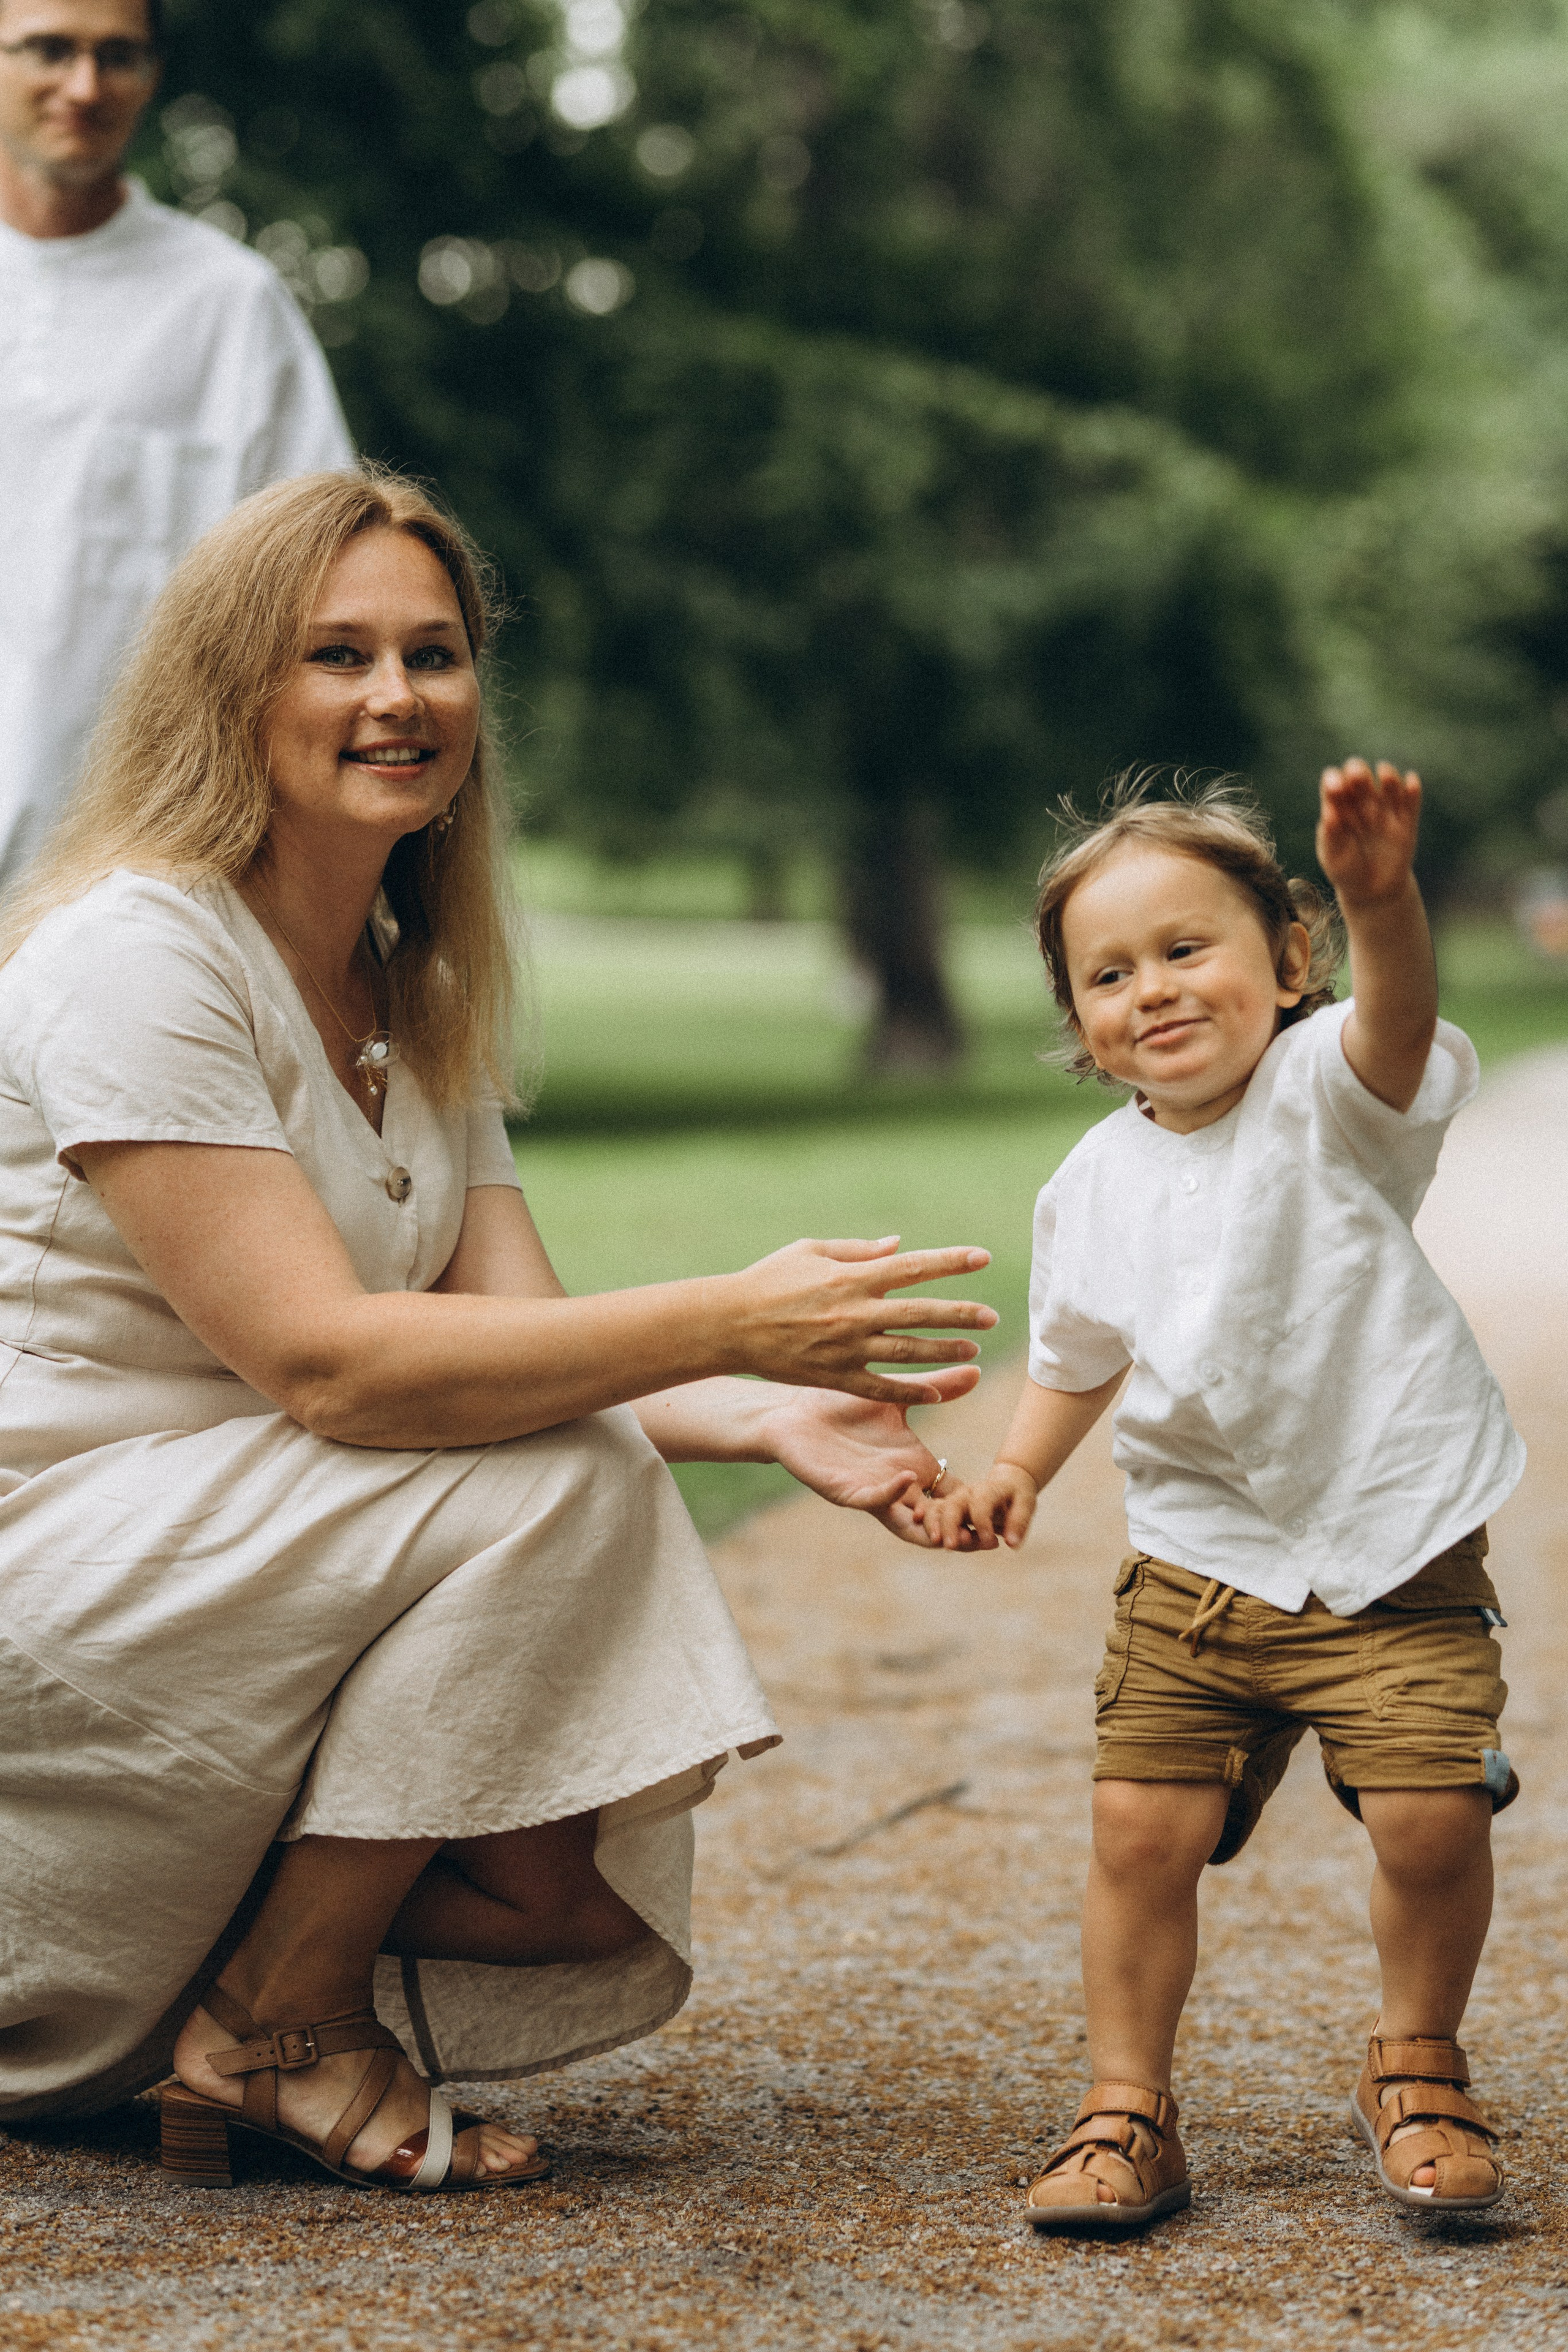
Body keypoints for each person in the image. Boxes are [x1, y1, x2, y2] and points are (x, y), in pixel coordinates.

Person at [0, 466, 997, 2193]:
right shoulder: (135, 956)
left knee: (560, 1887)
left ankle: (230, 1970)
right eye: (336, 655)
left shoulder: (417, 985)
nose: (400, 698)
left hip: (237, 1531)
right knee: (566, 1490)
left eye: (436, 654)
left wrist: (751, 1412)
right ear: (233, 694)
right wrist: (735, 1320)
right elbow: (327, 1362)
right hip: (59, 1549)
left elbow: (526, 1341)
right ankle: (276, 2020)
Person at [914, 765, 1524, 2228]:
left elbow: (1392, 1027)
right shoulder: (1091, 1181)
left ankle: (1416, 2067)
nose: (1154, 990)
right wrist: (1012, 1469)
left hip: (1391, 1547)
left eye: (1188, 948)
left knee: (1429, 1822)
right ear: (1078, 1023)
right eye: (1108, 974)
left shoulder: (1329, 1097)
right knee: (1137, 1832)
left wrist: (1383, 899)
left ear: (1285, 961)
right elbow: (1071, 1355)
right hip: (1194, 1568)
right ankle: (1126, 2110)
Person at [0, 0, 353, 891]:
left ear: (152, 75)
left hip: (127, 882)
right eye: (49, 49)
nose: (83, 86)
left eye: (116, 55)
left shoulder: (231, 309)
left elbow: (323, 594)